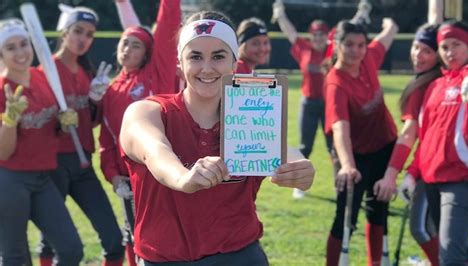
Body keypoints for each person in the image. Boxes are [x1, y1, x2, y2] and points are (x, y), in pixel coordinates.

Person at [118, 10, 315, 265]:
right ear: (180, 63)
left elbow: (280, 148)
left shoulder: (249, 113)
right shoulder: (148, 111)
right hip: (167, 259)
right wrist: (183, 177)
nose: (207, 68)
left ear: (235, 63)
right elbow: (155, 150)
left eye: (219, 56)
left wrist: (301, 168)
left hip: (240, 254)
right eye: (195, 57)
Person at [35, 5, 125, 266]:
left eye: (89, 34)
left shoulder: (88, 72)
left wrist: (95, 101)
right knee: (50, 242)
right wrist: (57, 122)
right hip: (53, 163)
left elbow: (92, 122)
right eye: (78, 31)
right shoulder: (45, 72)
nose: (83, 39)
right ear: (64, 32)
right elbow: (35, 123)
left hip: (83, 162)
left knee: (113, 239)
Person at [100, 0, 180, 265]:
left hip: (162, 172)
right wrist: (113, 176)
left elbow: (168, 26)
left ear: (148, 54)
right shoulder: (110, 90)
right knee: (132, 234)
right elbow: (107, 139)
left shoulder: (156, 74)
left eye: (136, 45)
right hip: (129, 179)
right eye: (124, 43)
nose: (127, 49)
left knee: (166, 236)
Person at [0, 18, 82, 266]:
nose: (20, 52)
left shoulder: (41, 77)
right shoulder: (2, 90)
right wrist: (10, 120)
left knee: (71, 250)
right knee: (15, 257)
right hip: (10, 181)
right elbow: (4, 153)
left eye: (23, 44)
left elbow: (52, 129)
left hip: (43, 177)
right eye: (10, 47)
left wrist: (65, 122)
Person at [323, 18, 399, 265]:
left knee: (379, 211)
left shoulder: (368, 59)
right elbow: (339, 129)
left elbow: (389, 33)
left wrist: (388, 23)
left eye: (360, 45)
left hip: (383, 146)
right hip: (353, 154)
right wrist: (346, 165)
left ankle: (374, 262)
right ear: (337, 45)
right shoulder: (336, 82)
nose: (355, 51)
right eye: (349, 45)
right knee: (346, 215)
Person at [376, 1, 444, 264]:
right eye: (416, 47)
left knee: (423, 228)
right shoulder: (430, 80)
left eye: (427, 50)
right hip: (430, 167)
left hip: (437, 169)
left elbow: (409, 135)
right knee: (437, 230)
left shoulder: (429, 84)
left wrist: (392, 174)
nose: (418, 54)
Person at [414, 20, 468, 265]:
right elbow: (424, 135)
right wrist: (412, 173)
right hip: (431, 180)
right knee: (451, 249)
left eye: (456, 45)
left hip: (461, 181)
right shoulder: (435, 85)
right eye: (444, 46)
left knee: (450, 255)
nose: (450, 52)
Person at [272, 1, 336, 199]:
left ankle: (338, 182)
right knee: (305, 146)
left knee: (333, 147)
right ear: (311, 35)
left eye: (321, 34)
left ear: (327, 36)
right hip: (308, 103)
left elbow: (348, 30)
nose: (318, 37)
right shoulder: (304, 49)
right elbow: (290, 31)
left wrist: (361, 13)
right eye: (315, 34)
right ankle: (298, 184)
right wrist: (280, 14)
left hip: (328, 105)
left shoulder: (332, 50)